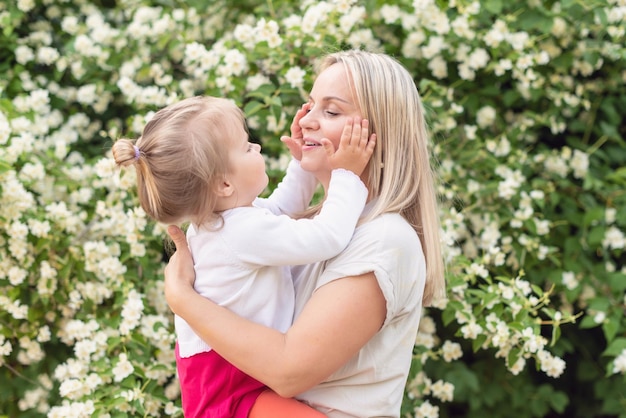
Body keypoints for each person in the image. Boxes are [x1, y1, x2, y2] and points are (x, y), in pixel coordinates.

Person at [164, 49, 446, 418]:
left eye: (331, 111)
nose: (308, 120)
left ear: (377, 134)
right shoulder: (309, 225)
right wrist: (305, 166)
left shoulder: (383, 239)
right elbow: (289, 209)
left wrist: (182, 298)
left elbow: (288, 371)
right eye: (310, 105)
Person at [111, 95, 376, 418]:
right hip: (231, 391)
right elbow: (327, 237)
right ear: (223, 183)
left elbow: (281, 212)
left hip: (226, 377)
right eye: (247, 147)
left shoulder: (225, 223)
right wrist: (346, 175)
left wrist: (303, 164)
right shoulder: (239, 233)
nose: (258, 148)